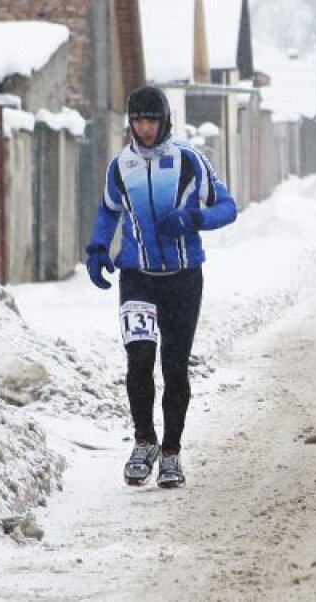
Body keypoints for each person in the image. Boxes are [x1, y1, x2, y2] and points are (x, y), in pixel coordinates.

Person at [84, 85, 237, 488]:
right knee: (138, 361)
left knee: (173, 367)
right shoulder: (121, 165)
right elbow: (108, 208)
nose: (145, 128)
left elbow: (227, 207)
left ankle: (171, 452)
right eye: (137, 120)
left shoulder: (189, 161)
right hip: (137, 276)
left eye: (151, 120)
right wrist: (98, 247)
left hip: (184, 279)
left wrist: (193, 220)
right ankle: (143, 441)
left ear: (164, 120)